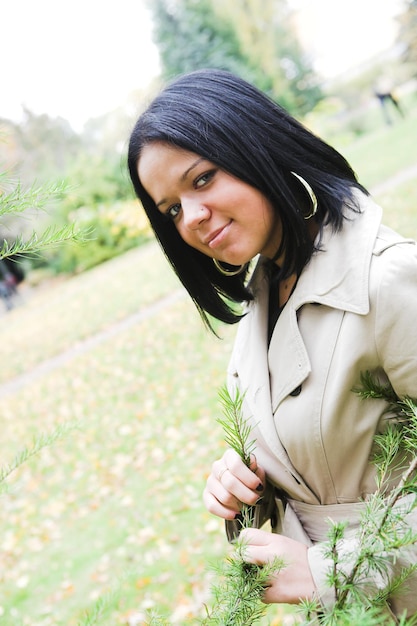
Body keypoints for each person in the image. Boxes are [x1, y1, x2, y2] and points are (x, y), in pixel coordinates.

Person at [127, 69, 417, 618]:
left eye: (202, 179)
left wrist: (328, 569)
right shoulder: (266, 290)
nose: (190, 218)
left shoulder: (387, 280)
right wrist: (242, 483)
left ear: (254, 144)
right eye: (170, 208)